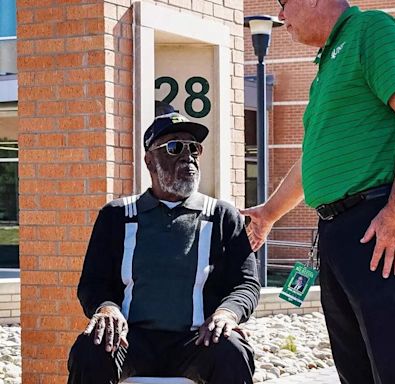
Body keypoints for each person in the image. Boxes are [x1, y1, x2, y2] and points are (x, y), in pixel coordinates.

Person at [241, 1, 395, 383]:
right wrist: (268, 213)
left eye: (285, 5)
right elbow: (313, 159)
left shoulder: (372, 30)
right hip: (338, 231)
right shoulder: (326, 62)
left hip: (376, 222)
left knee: (394, 364)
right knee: (355, 368)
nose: (281, 17)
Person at [67, 105, 260, 384]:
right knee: (90, 349)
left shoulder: (221, 216)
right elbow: (93, 283)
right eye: (174, 148)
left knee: (232, 350)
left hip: (197, 340)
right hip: (130, 340)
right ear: (149, 160)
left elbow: (246, 283)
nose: (188, 157)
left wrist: (227, 313)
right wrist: (106, 308)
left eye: (194, 149)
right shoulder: (117, 215)